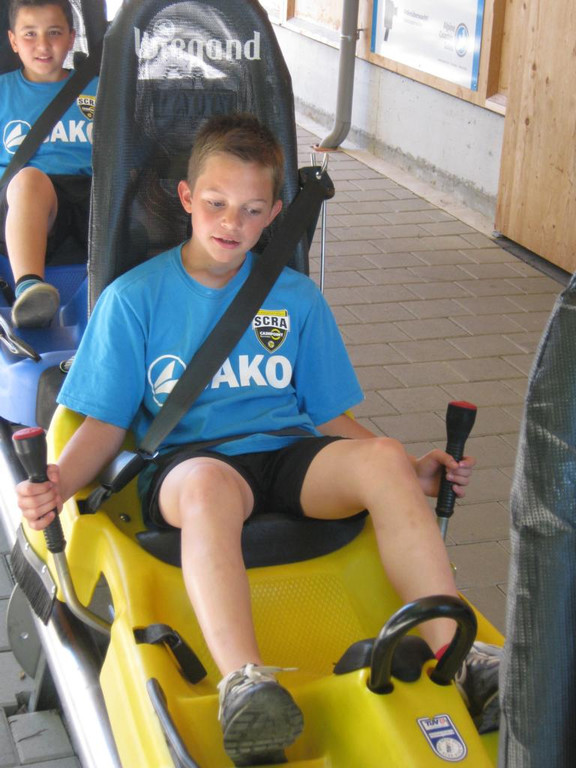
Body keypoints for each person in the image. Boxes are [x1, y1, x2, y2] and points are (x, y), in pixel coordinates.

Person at [17, 113, 499, 766]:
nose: (231, 223)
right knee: (209, 487)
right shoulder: (135, 300)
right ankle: (245, 684)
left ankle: (460, 657)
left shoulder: (294, 300)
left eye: (250, 210)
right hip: (190, 462)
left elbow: (330, 417)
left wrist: (411, 471)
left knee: (383, 457)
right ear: (187, 198)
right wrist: (58, 484)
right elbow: (102, 423)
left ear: (273, 215)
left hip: (286, 454)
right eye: (216, 203)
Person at [0, 0, 98, 328]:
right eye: (30, 34)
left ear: (71, 38)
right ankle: (30, 287)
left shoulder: (100, 90)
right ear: (13, 40)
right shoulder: (3, 92)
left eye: (54, 33)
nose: (43, 45)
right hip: (23, 202)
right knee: (30, 181)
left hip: (90, 202)